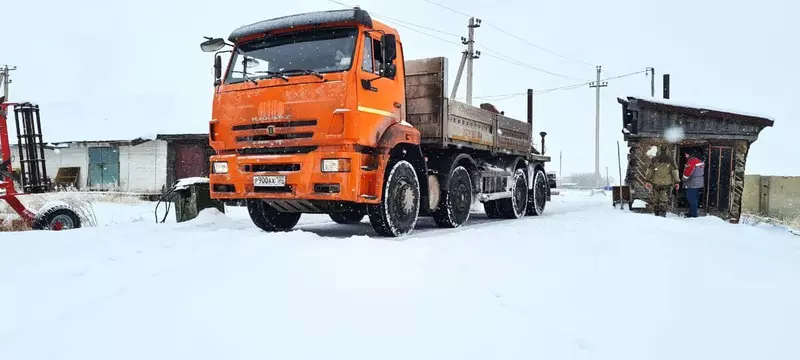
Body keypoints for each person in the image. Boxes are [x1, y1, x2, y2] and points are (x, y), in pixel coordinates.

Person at [643, 147, 681, 217]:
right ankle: (662, 214)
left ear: (658, 151)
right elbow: (675, 172)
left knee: (656, 199)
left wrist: (647, 180)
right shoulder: (670, 160)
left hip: (655, 182)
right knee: (664, 199)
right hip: (667, 183)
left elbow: (649, 171)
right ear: (667, 151)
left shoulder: (654, 159)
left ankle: (656, 213)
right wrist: (677, 181)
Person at [682, 150, 705, 218]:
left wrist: (684, 179)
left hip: (693, 182)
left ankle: (694, 214)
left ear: (690, 154)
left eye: (686, 154)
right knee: (695, 197)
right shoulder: (699, 160)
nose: (685, 156)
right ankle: (692, 212)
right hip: (698, 182)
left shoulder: (692, 161)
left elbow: (688, 171)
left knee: (691, 198)